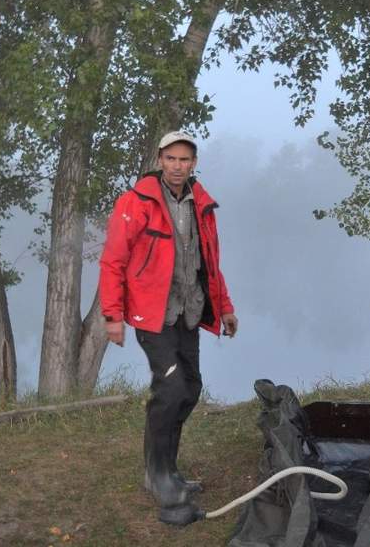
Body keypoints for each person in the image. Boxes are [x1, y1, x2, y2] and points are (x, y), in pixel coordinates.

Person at [99, 130, 239, 512]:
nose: (178, 166)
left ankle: (168, 470)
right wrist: (113, 315)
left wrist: (225, 307)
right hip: (152, 314)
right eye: (171, 159)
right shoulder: (135, 202)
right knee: (171, 388)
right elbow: (113, 261)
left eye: (185, 159)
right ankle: (156, 474)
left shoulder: (201, 204)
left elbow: (210, 264)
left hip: (188, 310)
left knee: (190, 387)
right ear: (160, 160)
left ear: (194, 163)